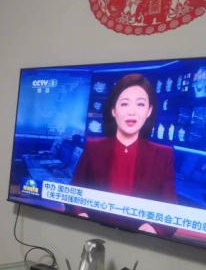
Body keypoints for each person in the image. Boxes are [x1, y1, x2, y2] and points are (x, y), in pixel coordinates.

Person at [70, 73, 177, 237]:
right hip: (94, 233)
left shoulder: (162, 154)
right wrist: (80, 214)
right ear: (113, 110)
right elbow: (73, 193)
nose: (132, 112)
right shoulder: (93, 147)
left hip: (140, 241)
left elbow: (171, 210)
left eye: (140, 104)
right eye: (125, 104)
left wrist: (156, 229)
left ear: (149, 111)